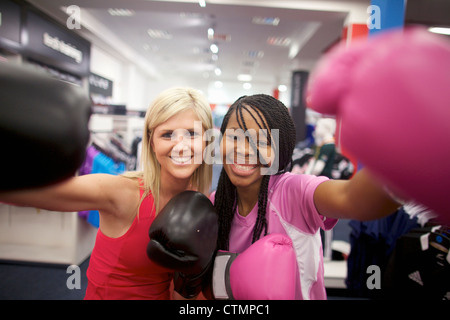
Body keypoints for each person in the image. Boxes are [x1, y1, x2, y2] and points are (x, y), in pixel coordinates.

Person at [0, 86, 213, 300]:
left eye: (192, 133)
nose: (180, 146)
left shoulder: (200, 200)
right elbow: (28, 192)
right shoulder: (123, 192)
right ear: (152, 142)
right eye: (167, 134)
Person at [210, 94, 400, 300]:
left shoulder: (295, 192)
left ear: (278, 148)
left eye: (261, 141)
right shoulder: (216, 204)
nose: (244, 150)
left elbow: (354, 198)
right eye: (234, 137)